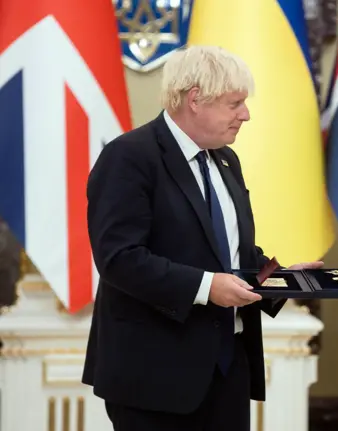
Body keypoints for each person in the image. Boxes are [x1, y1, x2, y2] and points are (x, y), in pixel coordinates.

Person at [81, 45, 322, 431]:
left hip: (227, 372)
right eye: (235, 104)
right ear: (196, 99)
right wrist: (207, 287)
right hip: (154, 378)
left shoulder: (226, 160)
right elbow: (118, 258)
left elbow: (228, 252)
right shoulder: (129, 156)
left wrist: (281, 279)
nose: (245, 114)